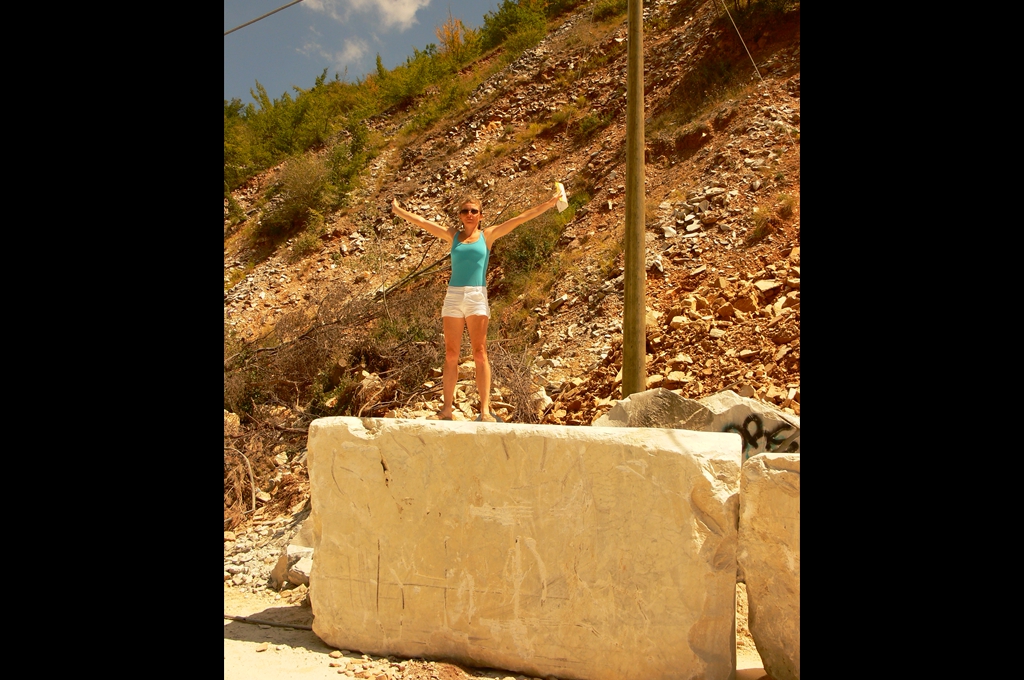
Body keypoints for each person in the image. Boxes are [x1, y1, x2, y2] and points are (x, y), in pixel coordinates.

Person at [391, 190, 561, 421]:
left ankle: (484, 410)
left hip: (476, 296)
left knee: (479, 352)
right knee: (451, 354)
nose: (469, 214)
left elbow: (521, 218)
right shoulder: (453, 235)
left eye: (474, 211)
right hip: (453, 296)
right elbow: (422, 222)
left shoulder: (487, 235)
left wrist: (550, 203)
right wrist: (399, 210)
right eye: (465, 211)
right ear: (460, 215)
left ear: (481, 215)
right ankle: (447, 409)